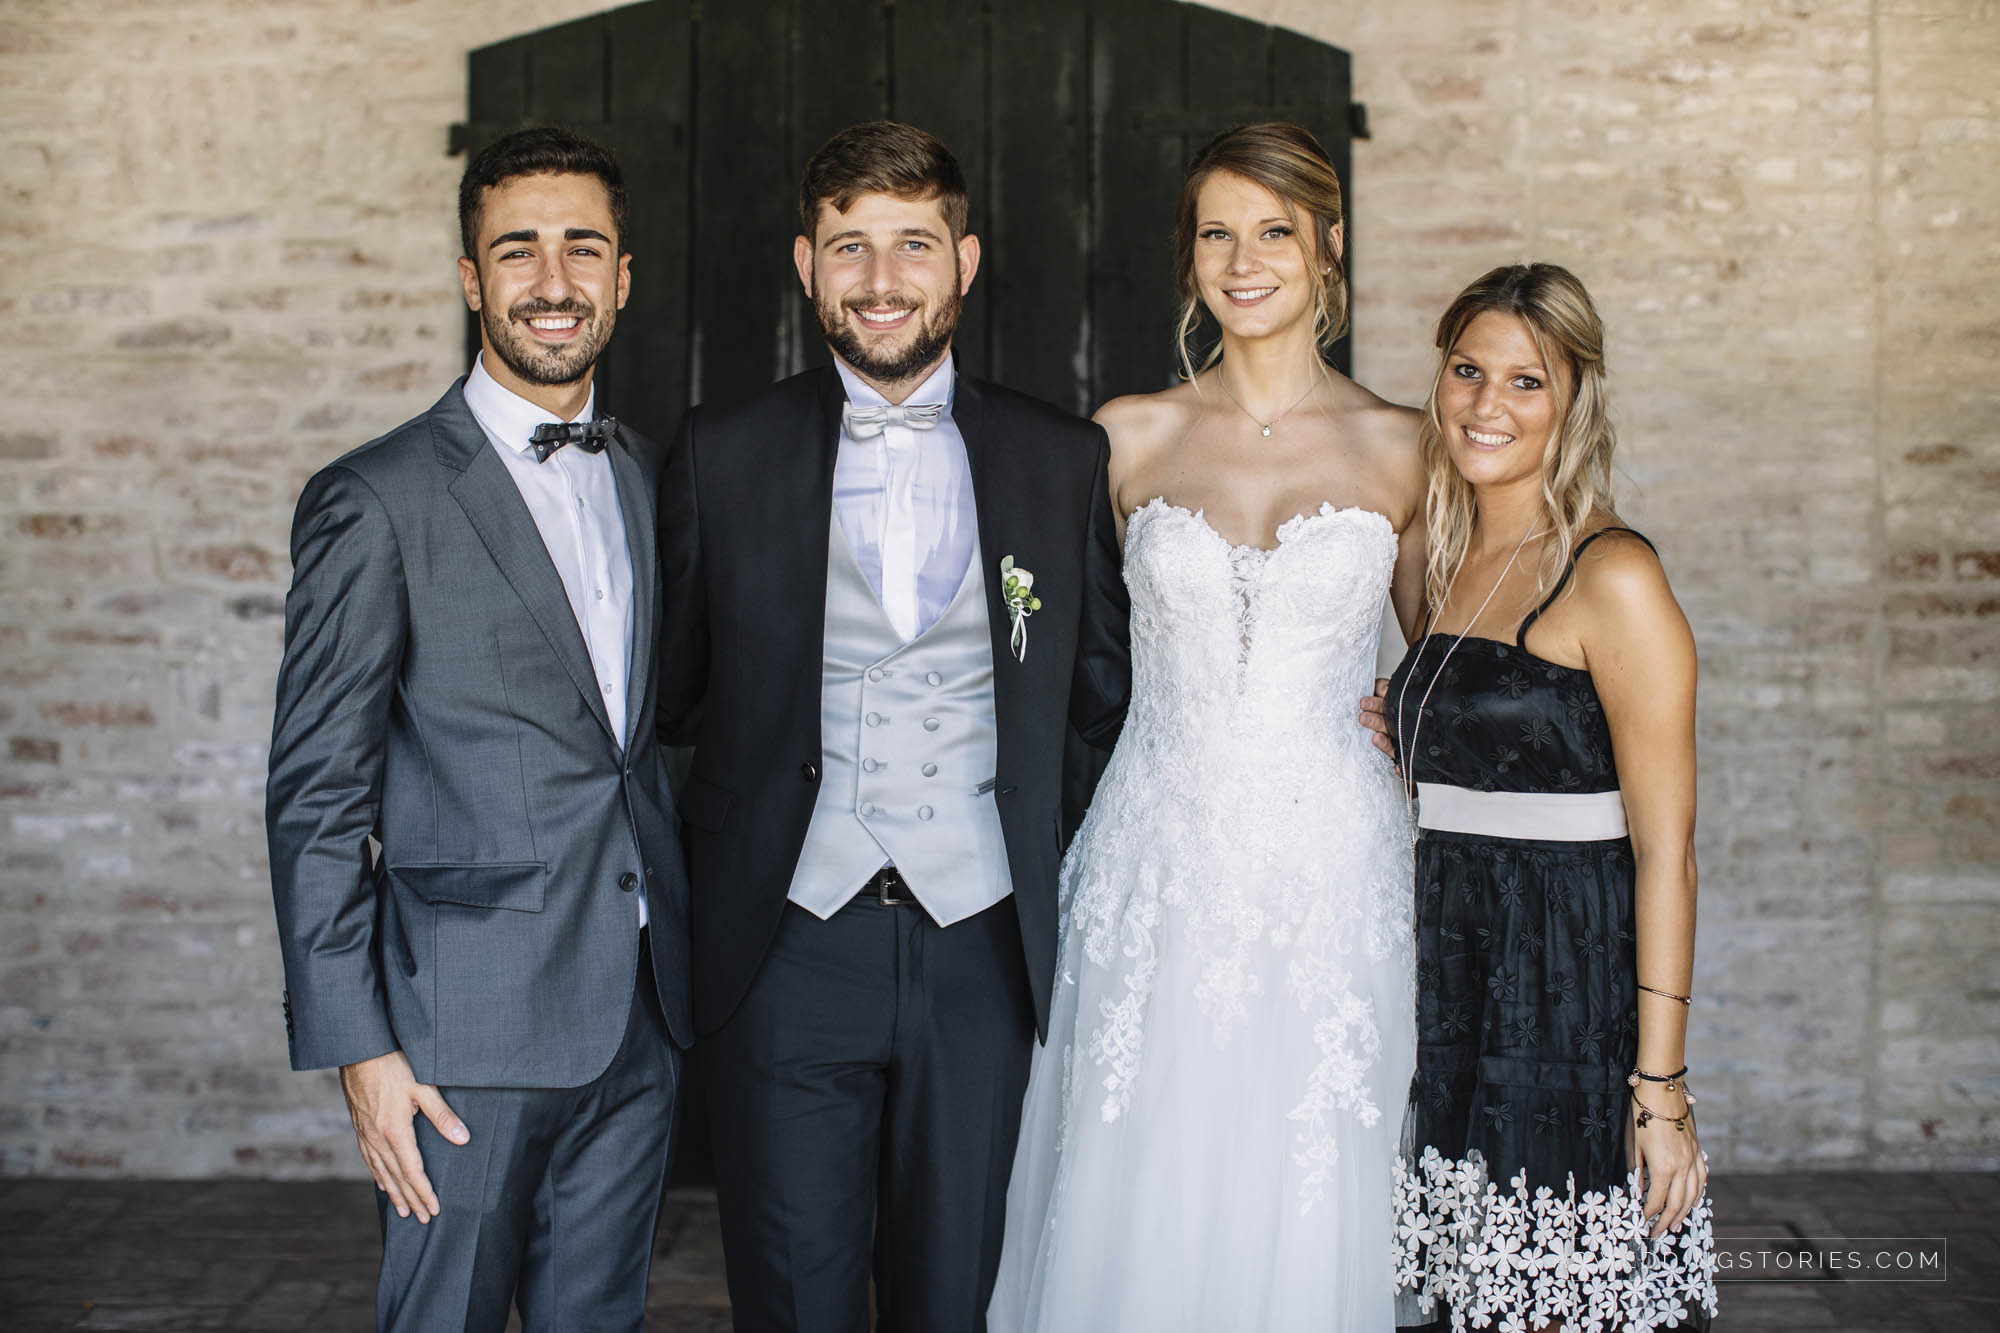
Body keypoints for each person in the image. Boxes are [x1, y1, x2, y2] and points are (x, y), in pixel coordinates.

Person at [655, 121, 1130, 1333]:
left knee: (956, 1299)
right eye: (848, 247)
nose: (880, 280)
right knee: (792, 1301)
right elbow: (668, 708)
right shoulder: (722, 452)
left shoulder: (1058, 457)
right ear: (803, 265)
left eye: (912, 244)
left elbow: (1097, 705)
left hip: (982, 948)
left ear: (964, 262)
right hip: (784, 944)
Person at [989, 122, 1425, 1331]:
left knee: (1306, 1171)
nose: (1244, 260)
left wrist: (1414, 713)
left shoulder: (1401, 446)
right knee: (1145, 1163)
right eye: (1215, 233)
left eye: (1273, 230)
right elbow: (1046, 658)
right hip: (1154, 866)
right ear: (1188, 259)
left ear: (1327, 248)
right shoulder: (1125, 436)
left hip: (1332, 868)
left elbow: (1452, 662)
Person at [265, 127, 692, 1331]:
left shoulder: (658, 480)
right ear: (470, 278)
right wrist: (361, 1048)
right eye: (517, 251)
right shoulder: (376, 499)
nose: (551, 283)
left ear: (621, 276)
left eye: (581, 249)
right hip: (458, 1036)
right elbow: (315, 796)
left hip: (641, 1020)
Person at [1368, 263, 1718, 1331]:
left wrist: (1658, 1090)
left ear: (1572, 398)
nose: (1485, 404)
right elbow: (1461, 746)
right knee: (1450, 1295)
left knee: (1556, 1300)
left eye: (1525, 381)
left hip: (1559, 985)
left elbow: (1667, 853)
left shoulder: (1611, 576)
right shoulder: (1430, 554)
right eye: (1467, 371)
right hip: (1439, 964)